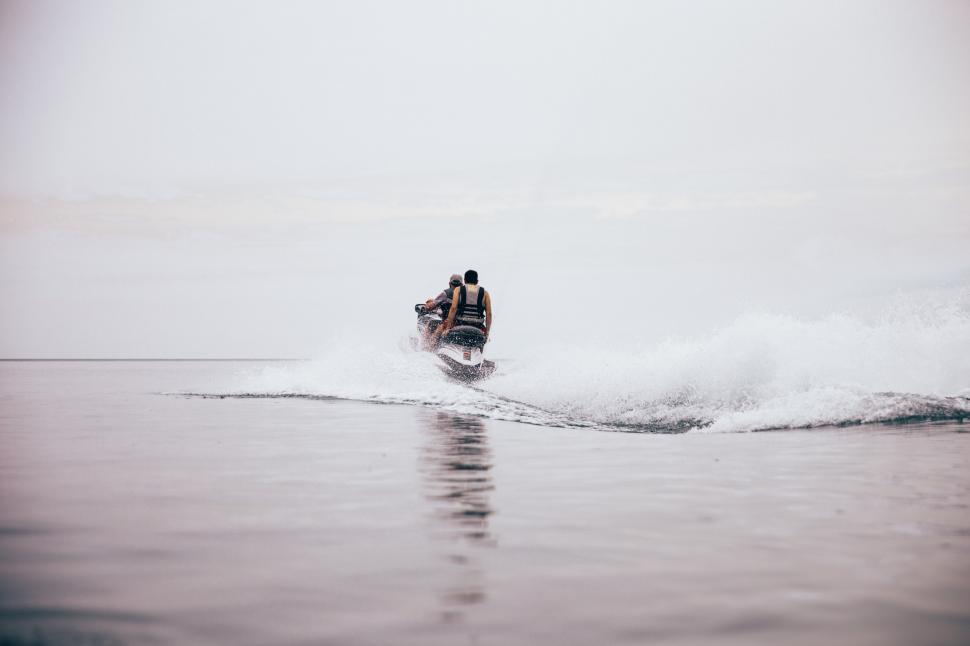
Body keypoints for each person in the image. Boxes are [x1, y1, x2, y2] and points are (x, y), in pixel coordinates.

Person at [433, 269, 493, 344]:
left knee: (440, 330)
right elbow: (489, 314)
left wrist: (447, 328)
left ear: (464, 280)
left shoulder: (458, 290)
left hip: (460, 323)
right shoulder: (485, 293)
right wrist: (487, 332)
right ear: (477, 281)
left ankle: (430, 350)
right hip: (478, 326)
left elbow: (453, 308)